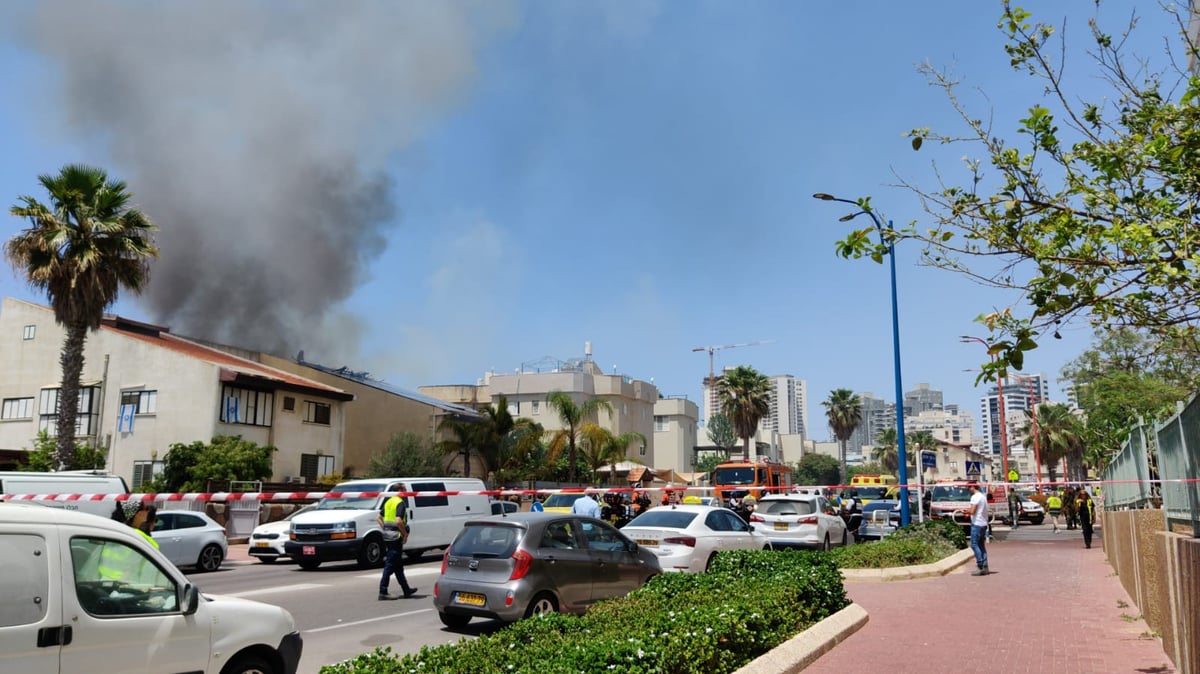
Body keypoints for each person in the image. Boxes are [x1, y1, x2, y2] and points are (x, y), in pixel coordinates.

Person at [377, 491, 416, 600]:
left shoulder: (389, 502)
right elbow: (399, 521)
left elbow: (378, 517)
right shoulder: (400, 503)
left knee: (398, 565)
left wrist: (385, 528)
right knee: (390, 564)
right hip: (395, 537)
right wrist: (405, 534)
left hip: (387, 536)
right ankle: (383, 591)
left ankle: (406, 589)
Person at [963, 482, 990, 576]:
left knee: (974, 544)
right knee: (981, 545)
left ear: (973, 487)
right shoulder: (983, 496)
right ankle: (985, 566)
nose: (968, 490)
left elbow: (973, 511)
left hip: (977, 523)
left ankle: (980, 565)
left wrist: (966, 511)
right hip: (983, 523)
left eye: (969, 487)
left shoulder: (974, 497)